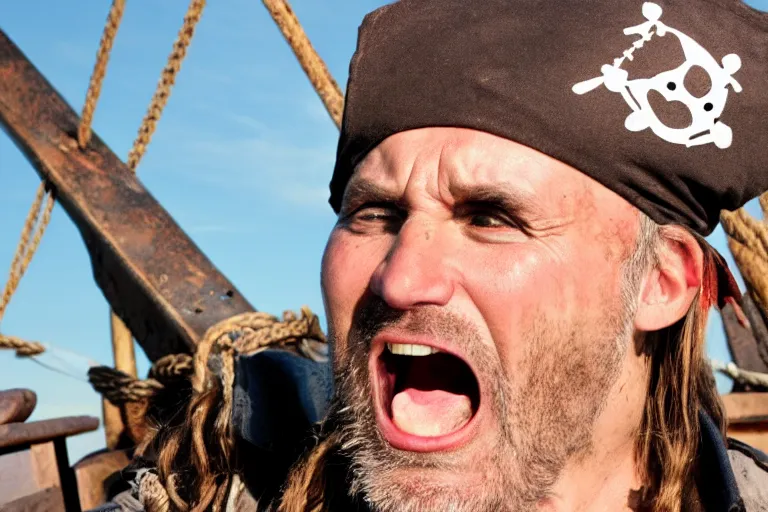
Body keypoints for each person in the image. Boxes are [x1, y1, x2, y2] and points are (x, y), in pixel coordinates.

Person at [107, 0, 768, 511]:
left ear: (660, 280)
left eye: (489, 217)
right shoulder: (222, 477)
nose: (399, 278)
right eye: (375, 215)